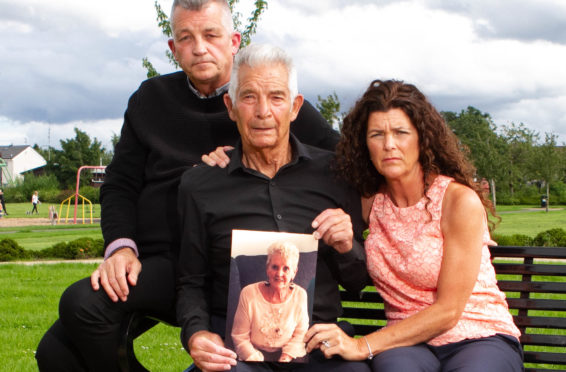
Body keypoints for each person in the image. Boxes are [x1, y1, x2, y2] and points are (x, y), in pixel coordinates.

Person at [35, 1, 338, 371]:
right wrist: (121, 248)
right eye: (186, 38)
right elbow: (119, 184)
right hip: (152, 264)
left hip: (216, 266)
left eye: (211, 35)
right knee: (54, 352)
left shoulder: (264, 100)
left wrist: (243, 161)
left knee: (80, 303)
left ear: (234, 41)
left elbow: (338, 159)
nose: (199, 47)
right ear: (173, 47)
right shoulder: (150, 98)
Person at [305, 79, 523, 371]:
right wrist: (223, 152)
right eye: (377, 134)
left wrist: (361, 345)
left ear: (422, 138)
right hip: (405, 342)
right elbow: (294, 149)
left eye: (400, 132)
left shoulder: (457, 201)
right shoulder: (369, 202)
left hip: (478, 334)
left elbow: (448, 311)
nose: (389, 145)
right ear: (363, 144)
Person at [177, 43, 370, 372]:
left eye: (276, 97)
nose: (263, 111)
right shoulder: (200, 186)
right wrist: (196, 334)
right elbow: (191, 281)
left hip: (318, 347)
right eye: (249, 96)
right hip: (240, 352)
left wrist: (347, 245)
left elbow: (357, 281)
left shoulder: (335, 175)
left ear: (295, 107)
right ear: (231, 106)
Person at [231, 241, 309, 363]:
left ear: (294, 272)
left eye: (286, 268)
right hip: (252, 354)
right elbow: (240, 336)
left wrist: (286, 358)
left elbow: (300, 334)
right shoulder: (248, 293)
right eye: (274, 267)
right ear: (267, 269)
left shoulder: (300, 295)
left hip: (287, 356)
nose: (279, 274)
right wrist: (255, 361)